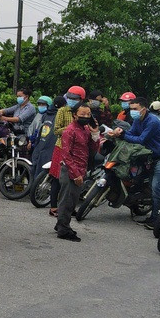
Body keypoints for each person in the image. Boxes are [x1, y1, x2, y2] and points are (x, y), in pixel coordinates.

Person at [112, 97, 160, 230]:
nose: (132, 111)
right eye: (131, 109)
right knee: (139, 181)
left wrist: (122, 135)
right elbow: (131, 133)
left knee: (156, 189)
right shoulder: (138, 120)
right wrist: (119, 133)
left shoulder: (152, 121)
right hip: (150, 157)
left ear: (144, 109)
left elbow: (141, 139)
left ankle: (156, 219)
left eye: (135, 109)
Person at [55, 103, 100, 242]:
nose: (86, 117)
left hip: (81, 168)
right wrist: (76, 175)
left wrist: (95, 133)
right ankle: (63, 229)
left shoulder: (85, 129)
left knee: (72, 201)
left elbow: (92, 148)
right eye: (83, 114)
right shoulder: (70, 131)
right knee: (67, 201)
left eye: (88, 114)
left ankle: (61, 224)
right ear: (75, 115)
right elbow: (66, 155)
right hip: (71, 170)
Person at [48, 87, 85, 217]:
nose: (71, 100)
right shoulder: (62, 111)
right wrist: (72, 127)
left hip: (78, 151)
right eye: (69, 98)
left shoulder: (84, 113)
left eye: (74, 99)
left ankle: (69, 207)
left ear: (81, 100)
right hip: (61, 148)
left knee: (73, 181)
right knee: (58, 178)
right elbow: (56, 130)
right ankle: (53, 207)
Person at [29, 96, 57, 180]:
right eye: (39, 104)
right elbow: (33, 128)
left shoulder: (52, 116)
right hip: (36, 142)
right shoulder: (39, 115)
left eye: (43, 104)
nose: (41, 106)